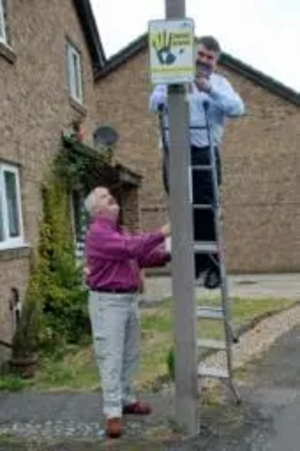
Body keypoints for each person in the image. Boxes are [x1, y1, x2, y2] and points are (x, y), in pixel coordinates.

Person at [149, 35, 245, 289]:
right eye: (200, 55)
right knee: (181, 209)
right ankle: (190, 263)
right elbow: (153, 103)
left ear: (215, 62)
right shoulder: (172, 77)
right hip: (175, 151)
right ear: (192, 54)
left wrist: (209, 90)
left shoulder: (220, 83)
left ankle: (211, 266)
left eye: (209, 58)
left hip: (204, 153)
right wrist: (174, 92)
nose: (204, 61)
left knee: (207, 210)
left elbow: (237, 108)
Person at [84, 186, 171, 439]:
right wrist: (163, 232)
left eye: (108, 193)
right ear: (96, 209)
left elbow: (141, 255)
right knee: (111, 356)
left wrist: (170, 254)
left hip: (128, 300)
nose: (109, 195)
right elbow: (131, 247)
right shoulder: (98, 233)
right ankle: (112, 412)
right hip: (107, 303)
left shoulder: (120, 232)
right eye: (102, 196)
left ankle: (126, 399)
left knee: (131, 354)